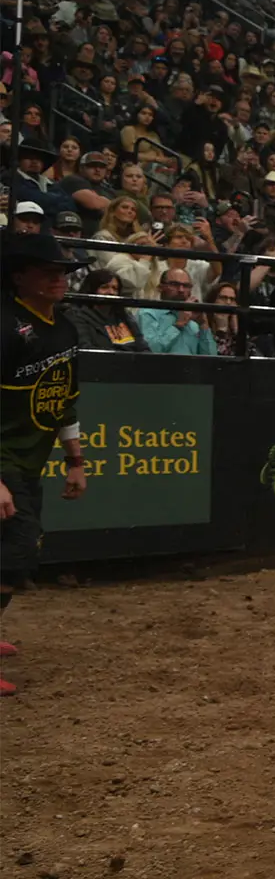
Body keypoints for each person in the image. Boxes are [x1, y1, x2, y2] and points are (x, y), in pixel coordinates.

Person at [1, 232, 92, 698]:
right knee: (17, 549)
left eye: (62, 271)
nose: (59, 278)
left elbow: (64, 399)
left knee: (19, 547)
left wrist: (75, 460)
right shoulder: (5, 327)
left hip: (29, 457)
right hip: (3, 458)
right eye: (47, 271)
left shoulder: (64, 328)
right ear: (19, 276)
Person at [135, 268, 217, 355]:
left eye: (186, 286)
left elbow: (211, 358)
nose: (181, 290)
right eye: (174, 284)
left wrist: (203, 325)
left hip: (192, 368)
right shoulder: (147, 313)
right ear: (160, 288)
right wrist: (178, 325)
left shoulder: (194, 321)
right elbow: (150, 351)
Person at [67, 271, 150, 352]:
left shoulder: (124, 315)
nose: (111, 292)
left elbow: (143, 347)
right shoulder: (77, 316)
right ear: (92, 290)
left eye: (115, 288)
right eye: (104, 287)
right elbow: (86, 350)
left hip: (132, 363)